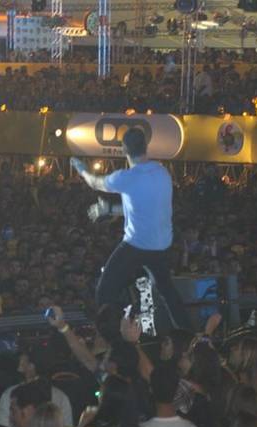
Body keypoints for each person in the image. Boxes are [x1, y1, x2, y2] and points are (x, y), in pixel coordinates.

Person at [72, 128, 190, 331]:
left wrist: (81, 168)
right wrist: (109, 209)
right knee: (166, 290)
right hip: (161, 246)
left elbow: (94, 183)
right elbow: (144, 208)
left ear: (123, 149)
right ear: (146, 146)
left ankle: (112, 334)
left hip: (137, 245)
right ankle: (189, 334)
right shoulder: (162, 173)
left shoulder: (126, 178)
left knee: (104, 292)